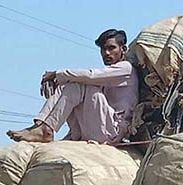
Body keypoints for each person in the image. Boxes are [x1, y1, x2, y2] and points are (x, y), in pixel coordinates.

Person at [7, 29, 138, 145]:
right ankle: (41, 126)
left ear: (124, 49)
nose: (106, 53)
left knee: (81, 84)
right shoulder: (111, 75)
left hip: (112, 130)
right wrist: (58, 81)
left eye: (111, 48)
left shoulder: (126, 68)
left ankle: (46, 129)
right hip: (99, 126)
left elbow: (90, 76)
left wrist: (57, 74)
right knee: (71, 83)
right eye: (103, 49)